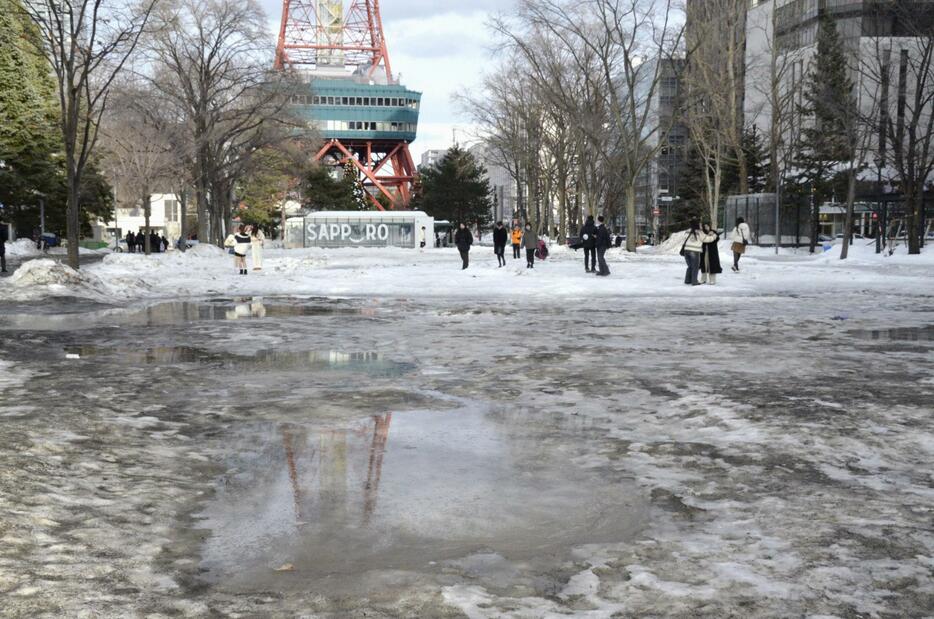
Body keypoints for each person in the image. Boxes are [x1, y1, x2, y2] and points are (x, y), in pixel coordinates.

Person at [681, 219, 704, 286]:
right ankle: (694, 281)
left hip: (686, 251)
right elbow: (705, 239)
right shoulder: (699, 232)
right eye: (700, 224)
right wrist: (714, 236)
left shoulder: (687, 231)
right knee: (695, 267)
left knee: (690, 266)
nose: (701, 225)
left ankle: (687, 280)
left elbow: (683, 239)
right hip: (695, 251)